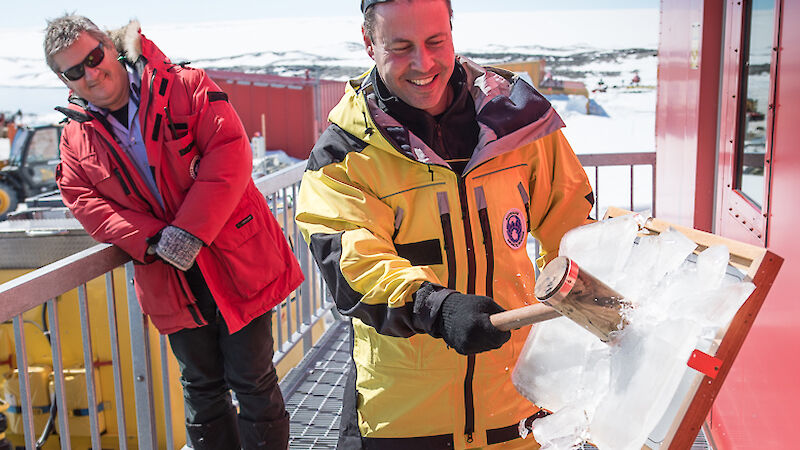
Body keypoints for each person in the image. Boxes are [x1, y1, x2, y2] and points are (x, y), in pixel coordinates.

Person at [295, 0, 595, 448]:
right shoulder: (345, 154)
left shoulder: (516, 123)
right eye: (400, 47)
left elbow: (573, 223)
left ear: (453, 33)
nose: (424, 63)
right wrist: (438, 307)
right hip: (404, 417)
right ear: (368, 42)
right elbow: (353, 260)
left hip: (516, 405)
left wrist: (586, 290)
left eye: (437, 41)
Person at [44, 15, 304, 450]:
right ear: (63, 79)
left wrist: (189, 232)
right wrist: (148, 240)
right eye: (75, 70)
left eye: (94, 56)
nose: (91, 73)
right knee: (201, 390)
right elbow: (83, 200)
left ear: (110, 46)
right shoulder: (74, 137)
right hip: (167, 273)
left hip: (234, 258)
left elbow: (231, 151)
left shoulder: (183, 86)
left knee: (252, 379)